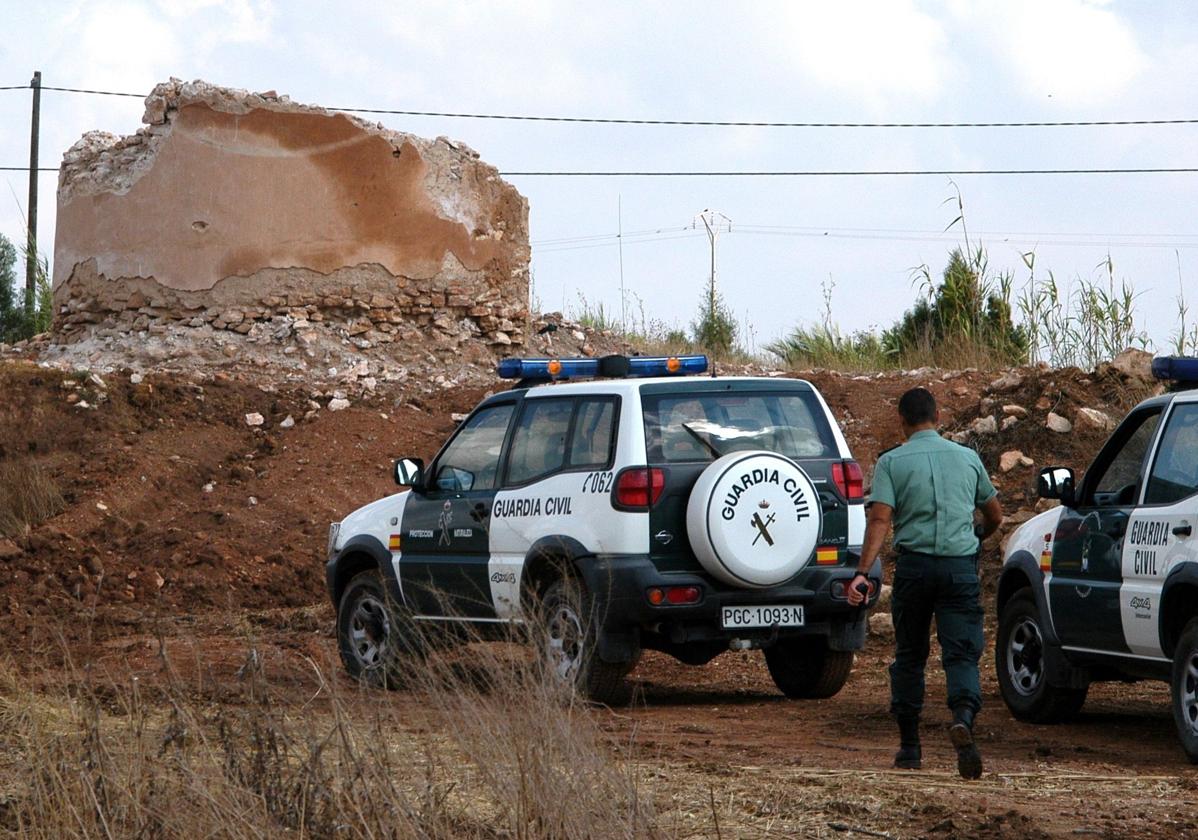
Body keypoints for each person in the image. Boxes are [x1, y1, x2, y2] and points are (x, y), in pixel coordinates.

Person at [846, 387, 1003, 779]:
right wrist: (978, 535)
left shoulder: (892, 463)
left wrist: (863, 573)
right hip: (959, 569)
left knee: (910, 655)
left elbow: (880, 520)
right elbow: (995, 513)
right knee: (962, 653)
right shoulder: (968, 459)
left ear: (902, 421)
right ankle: (963, 717)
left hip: (915, 570)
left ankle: (910, 748)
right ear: (938, 415)